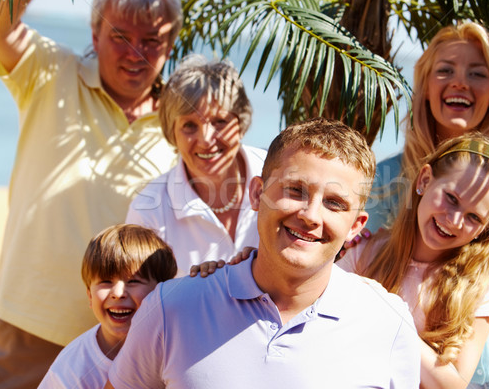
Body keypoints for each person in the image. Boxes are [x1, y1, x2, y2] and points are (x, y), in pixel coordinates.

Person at [105, 118, 421, 389]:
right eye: (295, 190)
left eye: (334, 203)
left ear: (356, 225)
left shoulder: (388, 323)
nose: (311, 215)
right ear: (257, 193)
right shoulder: (170, 307)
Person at [0, 0, 182, 387]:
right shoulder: (51, 72)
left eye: (151, 40)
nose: (135, 53)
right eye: (120, 36)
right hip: (32, 321)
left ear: (170, 44)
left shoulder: (183, 121)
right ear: (94, 34)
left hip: (129, 334)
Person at [363, 21, 489, 387]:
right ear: (426, 88)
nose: (460, 82)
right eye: (445, 70)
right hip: (429, 374)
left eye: (478, 73)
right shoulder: (386, 179)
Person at [338, 134, 489, 388]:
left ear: (487, 229)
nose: (454, 220)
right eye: (452, 199)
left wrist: (388, 313)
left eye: (474, 217)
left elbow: (453, 385)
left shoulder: (479, 286)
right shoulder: (365, 253)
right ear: (424, 180)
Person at [126, 54, 267, 276]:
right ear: (172, 132)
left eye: (220, 121)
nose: (206, 139)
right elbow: (143, 303)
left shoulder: (277, 174)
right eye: (189, 125)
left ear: (241, 122)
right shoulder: (148, 211)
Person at [38, 224, 177, 389]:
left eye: (133, 281)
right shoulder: (72, 367)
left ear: (161, 291)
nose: (118, 293)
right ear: (90, 295)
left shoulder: (177, 343)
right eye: (105, 281)